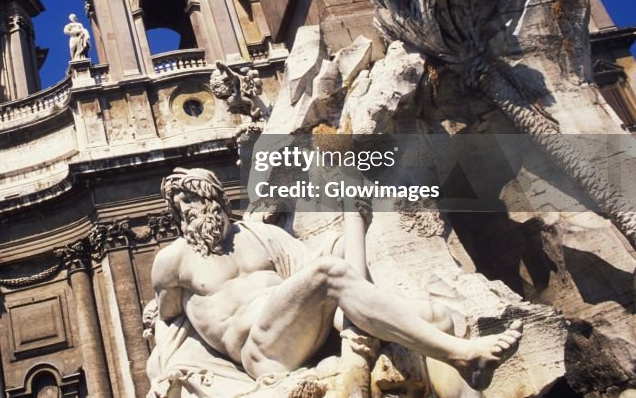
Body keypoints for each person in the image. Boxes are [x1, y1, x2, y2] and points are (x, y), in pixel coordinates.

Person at [151, 167, 521, 392]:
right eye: (179, 203)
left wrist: (352, 216)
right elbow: (169, 322)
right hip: (261, 351)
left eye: (194, 198)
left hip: (305, 325)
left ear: (217, 198)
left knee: (436, 315)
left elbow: (318, 267)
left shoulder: (260, 236)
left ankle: (469, 374)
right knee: (328, 272)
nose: (187, 208)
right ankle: (461, 354)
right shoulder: (172, 261)